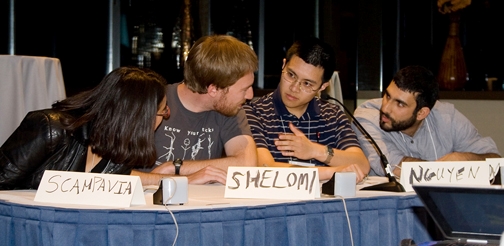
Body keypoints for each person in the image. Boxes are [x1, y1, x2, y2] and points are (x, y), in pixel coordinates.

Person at [0, 67, 170, 189]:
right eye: (163, 113)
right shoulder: (50, 128)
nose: (162, 120)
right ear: (140, 117)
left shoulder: (120, 146)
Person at [132, 35, 259, 185]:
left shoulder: (230, 107)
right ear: (213, 89)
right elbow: (110, 173)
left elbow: (247, 164)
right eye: (244, 89)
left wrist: (175, 167)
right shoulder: (152, 103)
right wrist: (184, 180)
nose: (250, 95)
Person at [243, 37, 369, 182]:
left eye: (307, 84)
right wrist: (333, 172)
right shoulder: (254, 112)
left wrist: (315, 150)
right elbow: (263, 168)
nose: (294, 88)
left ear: (323, 86)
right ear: (284, 65)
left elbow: (362, 165)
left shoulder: (332, 115)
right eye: (291, 75)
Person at [353, 65, 501, 177]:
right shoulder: (367, 117)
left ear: (422, 113)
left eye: (400, 104)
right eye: (387, 96)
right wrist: (448, 170)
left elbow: (495, 161)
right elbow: (393, 165)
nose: (386, 108)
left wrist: (464, 158)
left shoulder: (447, 116)